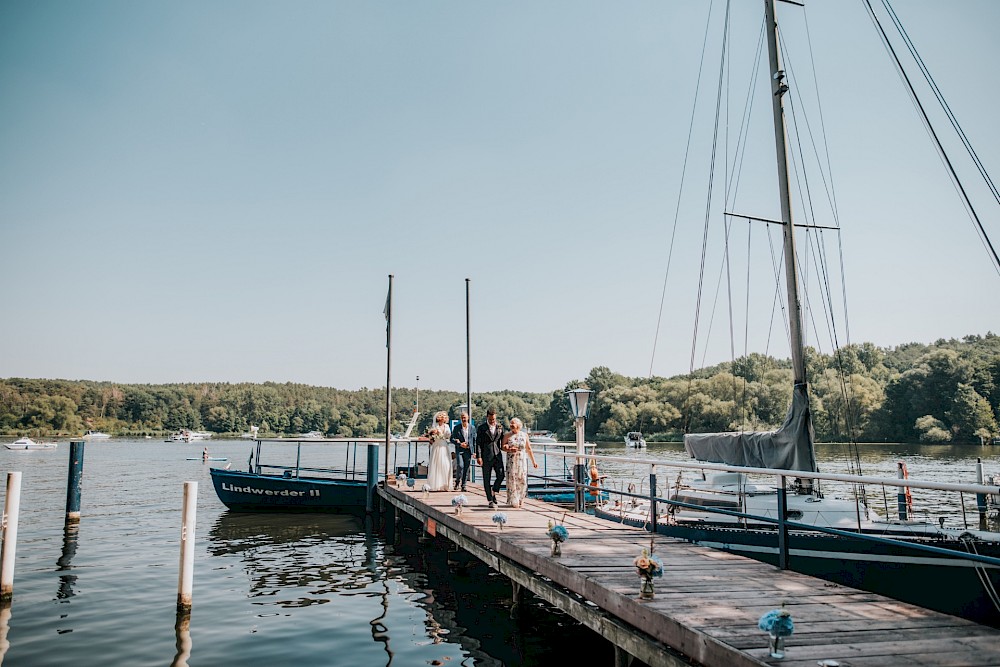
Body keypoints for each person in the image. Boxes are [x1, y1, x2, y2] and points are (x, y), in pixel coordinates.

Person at [502, 417, 537, 508]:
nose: (511, 425)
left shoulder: (524, 435)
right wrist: (509, 449)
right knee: (512, 480)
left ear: (518, 425)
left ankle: (521, 499)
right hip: (512, 460)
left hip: (522, 460)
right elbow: (502, 447)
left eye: (513, 423)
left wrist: (534, 461)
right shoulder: (507, 435)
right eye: (510, 424)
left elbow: (528, 449)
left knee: (522, 479)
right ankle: (514, 500)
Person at [475, 407, 505, 508]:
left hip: (497, 455)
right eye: (491, 419)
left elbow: (503, 441)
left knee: (501, 475)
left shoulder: (500, 427)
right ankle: (490, 499)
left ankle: (494, 490)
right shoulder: (482, 428)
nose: (492, 421)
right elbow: (478, 443)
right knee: (486, 478)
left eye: (494, 419)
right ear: (487, 417)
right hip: (486, 456)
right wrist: (479, 456)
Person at [425, 411, 452, 491]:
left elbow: (448, 435)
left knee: (446, 464)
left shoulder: (447, 426)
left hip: (444, 445)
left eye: (444, 417)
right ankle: (436, 484)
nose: (444, 418)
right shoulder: (435, 426)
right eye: (442, 417)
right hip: (437, 446)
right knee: (436, 464)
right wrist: (432, 436)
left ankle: (445, 484)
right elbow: (431, 437)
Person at [449, 412, 474, 492]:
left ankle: (464, 485)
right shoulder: (457, 428)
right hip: (460, 450)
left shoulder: (472, 428)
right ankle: (457, 482)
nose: (464, 419)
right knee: (460, 465)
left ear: (468, 418)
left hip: (468, 450)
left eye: (465, 418)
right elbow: (451, 439)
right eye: (462, 418)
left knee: (466, 467)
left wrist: (475, 451)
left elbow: (474, 440)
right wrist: (459, 443)